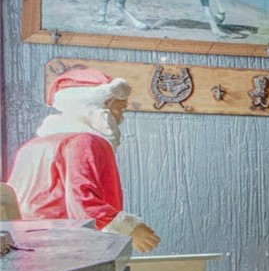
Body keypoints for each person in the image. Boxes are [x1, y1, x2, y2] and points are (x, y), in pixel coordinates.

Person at [5, 67, 160, 252]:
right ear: (98, 107)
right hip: (63, 247)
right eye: (118, 110)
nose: (120, 119)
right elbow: (82, 201)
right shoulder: (85, 142)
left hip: (26, 245)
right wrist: (132, 229)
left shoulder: (33, 146)